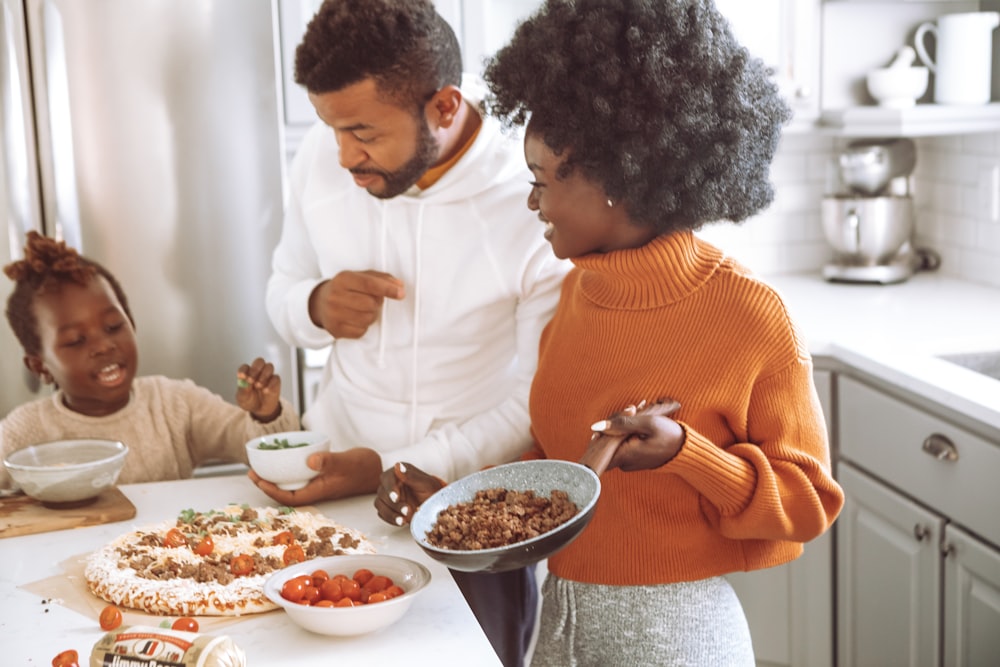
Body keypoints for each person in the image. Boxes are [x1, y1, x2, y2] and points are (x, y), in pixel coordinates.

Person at [377, 1, 846, 665]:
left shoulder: (746, 314)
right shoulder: (577, 291)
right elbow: (565, 463)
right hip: (562, 628)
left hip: (679, 642)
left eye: (542, 180)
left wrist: (686, 451)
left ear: (617, 179)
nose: (532, 202)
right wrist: (461, 497)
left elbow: (807, 502)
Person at [253, 2, 568, 665]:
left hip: (464, 515)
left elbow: (534, 396)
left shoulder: (533, 198)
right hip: (328, 497)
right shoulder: (326, 150)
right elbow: (281, 286)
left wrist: (396, 461)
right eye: (329, 127)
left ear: (445, 106)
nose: (341, 155)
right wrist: (314, 304)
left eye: (363, 132)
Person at [1, 231, 298, 488]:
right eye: (76, 341)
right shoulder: (27, 430)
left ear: (131, 322)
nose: (103, 346)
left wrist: (266, 414)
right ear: (40, 366)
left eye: (114, 327)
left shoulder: (175, 404)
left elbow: (265, 452)